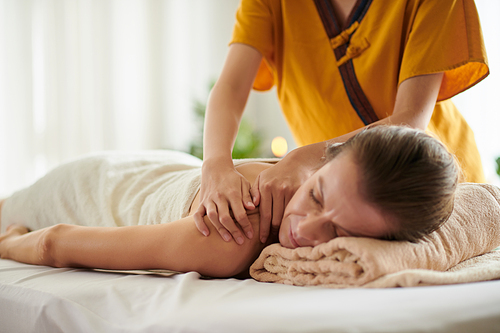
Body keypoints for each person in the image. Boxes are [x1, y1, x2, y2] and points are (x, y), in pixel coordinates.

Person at [195, 0, 489, 247]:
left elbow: (409, 122)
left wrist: (303, 159)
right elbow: (231, 88)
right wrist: (216, 164)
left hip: (432, 191)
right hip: (331, 195)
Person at [0, 126, 458, 278]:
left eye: (342, 233)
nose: (305, 229)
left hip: (157, 168)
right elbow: (53, 244)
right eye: (316, 195)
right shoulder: (234, 235)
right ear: (321, 158)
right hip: (93, 186)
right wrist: (9, 244)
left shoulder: (318, 182)